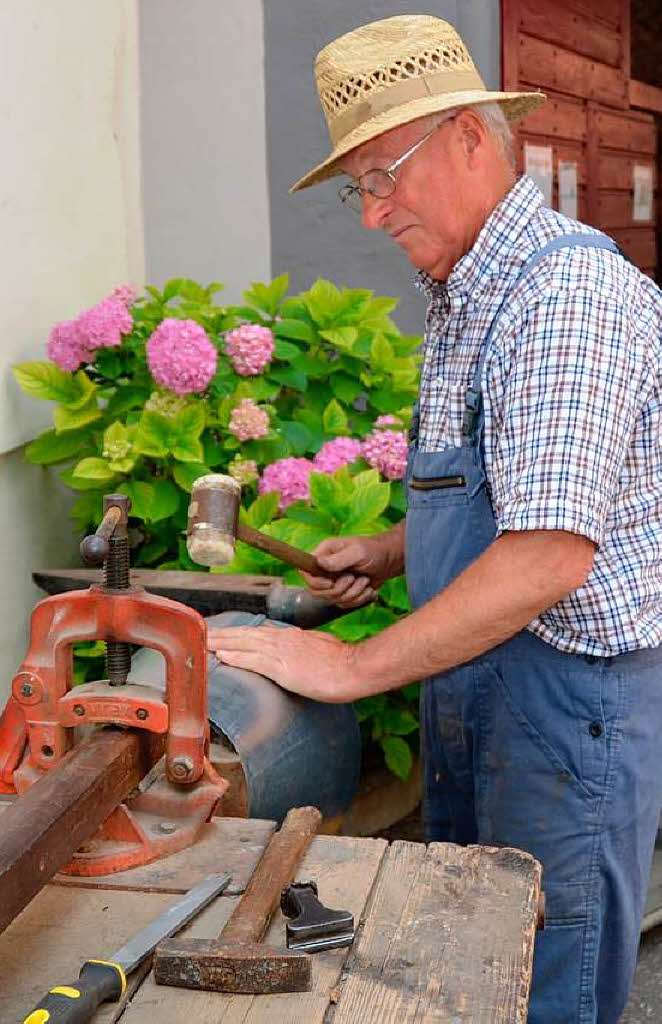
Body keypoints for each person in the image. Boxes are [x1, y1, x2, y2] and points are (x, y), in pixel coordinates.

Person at [207, 14, 662, 1023]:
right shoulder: (465, 296)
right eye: (355, 187)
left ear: (467, 137)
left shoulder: (562, 295)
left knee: (547, 988)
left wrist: (350, 665)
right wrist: (386, 548)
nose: (370, 216)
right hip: (479, 695)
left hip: (562, 713)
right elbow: (511, 493)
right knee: (470, 970)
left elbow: (547, 553)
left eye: (382, 175)